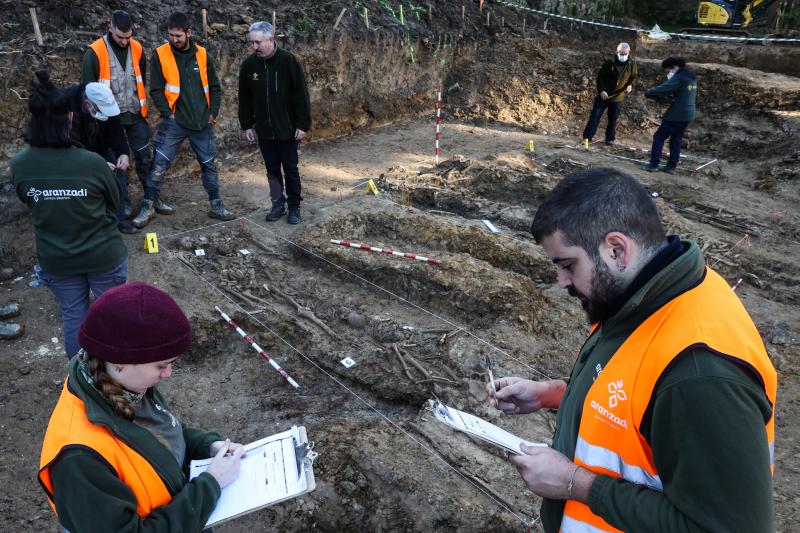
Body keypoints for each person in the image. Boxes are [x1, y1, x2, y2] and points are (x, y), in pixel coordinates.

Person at [489, 168, 776, 532]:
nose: (561, 281)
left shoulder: (699, 375)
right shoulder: (644, 297)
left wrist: (573, 483)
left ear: (616, 249)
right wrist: (555, 394)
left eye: (568, 265)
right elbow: (636, 395)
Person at [39, 282, 244, 532]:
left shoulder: (120, 384)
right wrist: (210, 486)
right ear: (120, 361)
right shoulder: (80, 460)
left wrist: (207, 446)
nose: (168, 373)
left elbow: (162, 433)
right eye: (161, 365)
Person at [11, 71, 128, 359]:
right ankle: (115, 375)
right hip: (102, 254)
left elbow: (30, 201)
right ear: (71, 117)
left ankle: (80, 377)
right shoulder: (93, 163)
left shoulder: (20, 165)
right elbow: (113, 204)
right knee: (111, 315)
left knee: (75, 317)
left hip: (57, 258)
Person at [133, 11, 234, 228]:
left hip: (202, 123)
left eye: (178, 35)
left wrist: (212, 113)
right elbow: (156, 89)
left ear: (189, 32)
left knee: (209, 165)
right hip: (175, 123)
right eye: (171, 35)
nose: (174, 39)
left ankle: (216, 205)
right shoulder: (160, 54)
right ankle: (148, 205)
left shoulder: (202, 54)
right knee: (159, 164)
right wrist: (168, 113)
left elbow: (215, 87)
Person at [82, 9, 153, 227]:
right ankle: (123, 203)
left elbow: (140, 79)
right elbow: (89, 91)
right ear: (109, 28)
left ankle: (151, 200)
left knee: (145, 158)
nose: (124, 42)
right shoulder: (94, 53)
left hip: (135, 115)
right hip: (108, 121)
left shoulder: (138, 48)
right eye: (119, 37)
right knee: (117, 163)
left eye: (128, 37)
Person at [238, 21, 311, 225]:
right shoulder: (249, 65)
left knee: (290, 169)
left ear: (271, 39)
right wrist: (247, 124)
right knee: (271, 169)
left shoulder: (289, 61)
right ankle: (278, 204)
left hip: (287, 129)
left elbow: (301, 96)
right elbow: (244, 98)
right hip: (264, 130)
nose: (254, 47)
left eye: (258, 42)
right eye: (251, 43)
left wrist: (303, 125)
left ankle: (295, 206)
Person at [67, 81, 139, 234]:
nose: (106, 112)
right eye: (101, 110)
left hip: (101, 147)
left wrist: (124, 153)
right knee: (84, 185)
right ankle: (90, 225)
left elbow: (117, 132)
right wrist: (96, 163)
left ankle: (119, 219)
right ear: (88, 103)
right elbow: (68, 144)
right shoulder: (66, 104)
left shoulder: (106, 102)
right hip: (75, 154)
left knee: (119, 175)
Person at [642, 57, 697, 173]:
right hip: (688, 114)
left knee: (658, 137)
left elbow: (664, 88)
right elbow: (681, 93)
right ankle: (671, 167)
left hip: (676, 114)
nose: (668, 74)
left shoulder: (679, 78)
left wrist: (649, 92)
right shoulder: (691, 77)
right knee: (676, 139)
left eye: (668, 71)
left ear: (674, 68)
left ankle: (653, 165)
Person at [581, 43, 637, 147]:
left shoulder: (632, 64)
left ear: (629, 53)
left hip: (618, 97)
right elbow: (600, 77)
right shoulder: (609, 62)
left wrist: (629, 85)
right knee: (595, 116)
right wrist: (601, 90)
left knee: (613, 119)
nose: (623, 55)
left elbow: (633, 77)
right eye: (621, 53)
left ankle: (610, 139)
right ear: (617, 52)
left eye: (625, 54)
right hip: (603, 96)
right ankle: (587, 138)